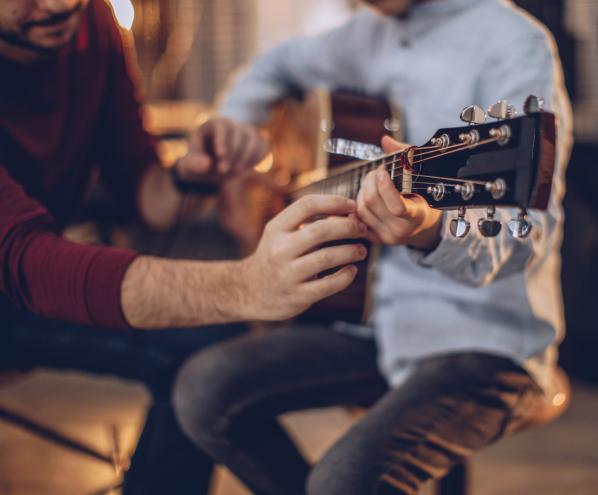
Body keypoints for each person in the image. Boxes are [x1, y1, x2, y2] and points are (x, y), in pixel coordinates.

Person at [172, 0, 573, 493]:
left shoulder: (514, 42)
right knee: (203, 389)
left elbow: (521, 235)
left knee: (342, 483)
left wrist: (431, 229)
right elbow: (274, 64)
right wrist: (239, 122)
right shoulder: (363, 35)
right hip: (377, 324)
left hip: (486, 343)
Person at [0, 0, 368, 492]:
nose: (59, 4)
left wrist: (190, 178)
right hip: (16, 282)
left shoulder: (94, 23)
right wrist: (246, 284)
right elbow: (26, 262)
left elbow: (143, 193)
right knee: (210, 339)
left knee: (211, 350)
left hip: (24, 283)